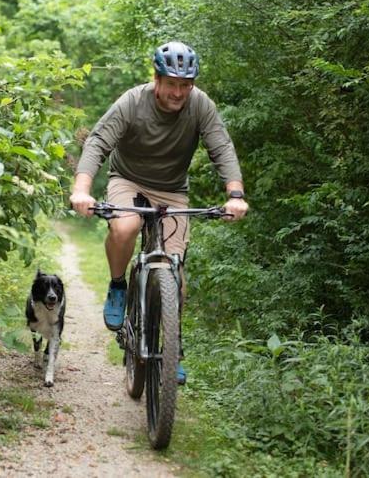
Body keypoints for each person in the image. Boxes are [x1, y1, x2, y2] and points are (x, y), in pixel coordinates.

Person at [69, 41, 249, 384]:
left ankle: (171, 351)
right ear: (156, 79)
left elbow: (221, 146)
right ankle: (119, 285)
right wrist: (82, 190)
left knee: (175, 270)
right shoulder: (132, 102)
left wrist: (235, 194)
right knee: (125, 228)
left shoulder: (200, 106)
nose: (179, 92)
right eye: (172, 84)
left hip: (171, 189)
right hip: (128, 180)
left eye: (186, 85)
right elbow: (98, 142)